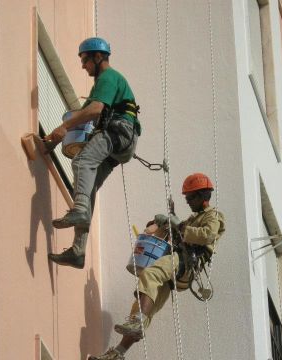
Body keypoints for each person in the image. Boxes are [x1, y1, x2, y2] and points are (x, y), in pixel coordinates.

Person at [88, 173, 225, 360]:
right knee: (143, 307)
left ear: (203, 196)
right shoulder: (194, 218)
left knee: (151, 274)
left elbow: (207, 235)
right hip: (176, 266)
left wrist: (180, 227)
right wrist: (166, 222)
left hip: (186, 261)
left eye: (190, 197)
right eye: (186, 198)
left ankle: (138, 321)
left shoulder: (213, 216)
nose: (188, 201)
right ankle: (118, 353)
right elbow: (178, 229)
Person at [45, 37, 141, 269]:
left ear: (98, 57)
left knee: (81, 162)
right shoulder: (103, 83)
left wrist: (64, 127)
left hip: (119, 132)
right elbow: (90, 114)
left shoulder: (108, 77)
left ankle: (79, 211)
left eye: (85, 59)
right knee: (88, 187)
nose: (83, 65)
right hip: (122, 142)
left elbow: (95, 110)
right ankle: (78, 251)